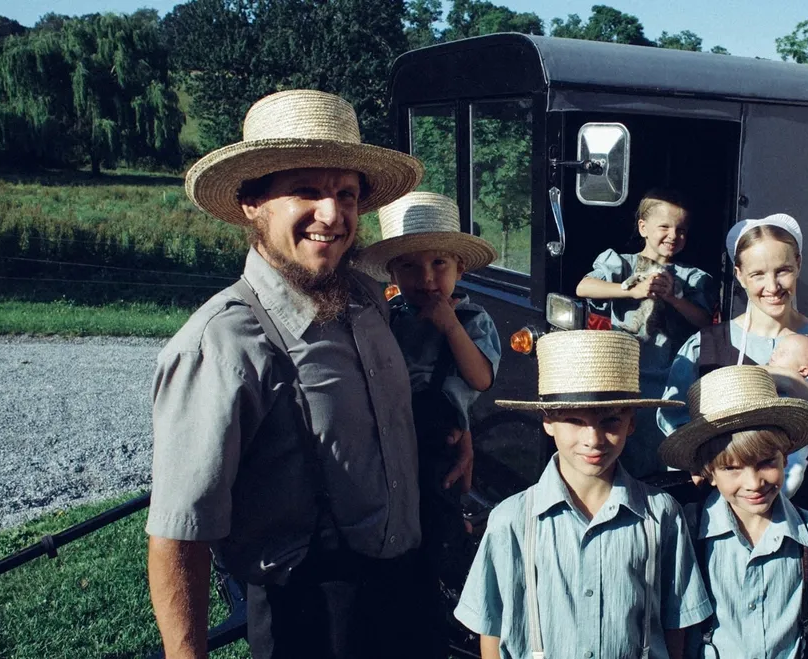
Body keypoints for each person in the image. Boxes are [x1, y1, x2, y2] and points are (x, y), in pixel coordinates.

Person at [146, 90, 462, 659]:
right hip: (312, 621)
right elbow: (178, 534)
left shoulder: (369, 302)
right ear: (252, 202)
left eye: (345, 193)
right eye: (306, 192)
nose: (332, 214)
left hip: (408, 589)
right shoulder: (219, 343)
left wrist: (449, 433)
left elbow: (377, 416)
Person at [455, 330, 712, 659]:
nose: (593, 439)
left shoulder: (661, 514)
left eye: (610, 421)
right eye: (575, 420)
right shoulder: (511, 520)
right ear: (548, 421)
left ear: (631, 422)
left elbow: (677, 621)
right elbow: (490, 626)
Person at [659, 213, 808, 517]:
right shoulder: (707, 346)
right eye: (758, 274)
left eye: (783, 270)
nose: (772, 286)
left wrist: (795, 383)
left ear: (799, 264)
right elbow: (677, 426)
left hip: (804, 510)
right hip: (719, 513)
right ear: (739, 275)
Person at [357, 190, 501, 589]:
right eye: (409, 266)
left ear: (460, 269)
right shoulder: (391, 318)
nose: (426, 278)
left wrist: (450, 326)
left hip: (440, 438)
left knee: (437, 512)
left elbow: (481, 379)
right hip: (392, 434)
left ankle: (446, 578)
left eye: (439, 263)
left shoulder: (472, 319)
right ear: (393, 275)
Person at [658, 365, 808, 659]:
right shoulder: (687, 532)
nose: (754, 483)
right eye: (732, 468)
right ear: (708, 472)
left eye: (766, 462)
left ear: (785, 457)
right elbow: (675, 621)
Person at [575, 189, 715, 478]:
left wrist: (676, 299)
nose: (673, 235)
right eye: (664, 226)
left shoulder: (692, 277)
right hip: (625, 377)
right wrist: (630, 289)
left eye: (681, 230)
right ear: (643, 227)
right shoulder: (621, 263)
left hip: (673, 379)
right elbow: (584, 287)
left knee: (666, 446)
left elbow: (705, 323)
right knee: (626, 445)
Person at [766, 333, 808, 497]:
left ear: (803, 370)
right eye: (776, 350)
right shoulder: (771, 374)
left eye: (782, 353)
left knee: (795, 467)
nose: (774, 355)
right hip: (771, 436)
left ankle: (782, 495)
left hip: (798, 442)